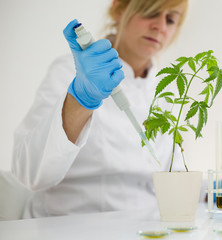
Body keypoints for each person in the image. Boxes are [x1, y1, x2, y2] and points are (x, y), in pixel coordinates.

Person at [11, 0, 189, 218]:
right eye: (150, 12)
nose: (161, 27)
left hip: (147, 227)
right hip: (73, 226)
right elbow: (30, 173)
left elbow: (175, 178)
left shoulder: (167, 89)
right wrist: (81, 99)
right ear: (118, 9)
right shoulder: (69, 71)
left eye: (170, 20)